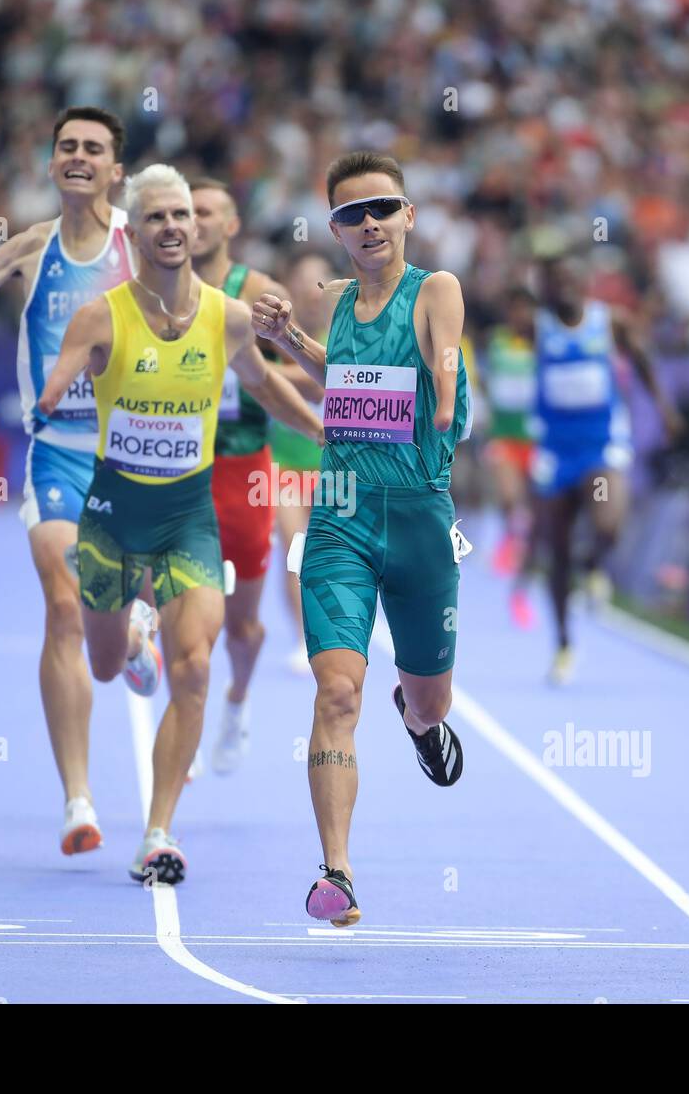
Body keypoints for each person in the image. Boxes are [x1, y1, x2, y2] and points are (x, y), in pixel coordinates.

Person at [40, 164, 323, 884]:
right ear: (132, 233)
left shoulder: (227, 318)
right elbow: (55, 386)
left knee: (195, 664)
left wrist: (325, 429)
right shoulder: (102, 315)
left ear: (199, 232)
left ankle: (159, 831)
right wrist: (52, 395)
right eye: (158, 218)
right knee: (104, 665)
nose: (172, 227)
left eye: (182, 217)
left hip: (188, 517)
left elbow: (267, 385)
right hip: (111, 516)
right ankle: (132, 638)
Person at [0, 106, 160, 860]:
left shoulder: (144, 243)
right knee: (63, 604)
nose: (79, 157)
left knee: (114, 641)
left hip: (141, 452)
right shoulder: (31, 248)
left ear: (117, 170)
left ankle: (138, 635)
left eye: (94, 148)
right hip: (56, 450)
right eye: (67, 147)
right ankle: (78, 798)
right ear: (53, 163)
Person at [251, 151, 472, 927]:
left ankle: (418, 720)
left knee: (429, 698)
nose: (369, 223)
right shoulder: (337, 303)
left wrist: (444, 399)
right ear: (337, 228)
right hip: (340, 511)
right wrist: (292, 345)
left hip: (419, 515)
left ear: (408, 215)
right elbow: (344, 387)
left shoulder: (436, 288)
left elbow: (443, 353)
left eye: (382, 207)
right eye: (351, 214)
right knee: (335, 691)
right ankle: (337, 871)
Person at [188, 179, 326, 772]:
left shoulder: (259, 292)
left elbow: (280, 371)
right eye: (182, 212)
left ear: (230, 225)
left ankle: (237, 700)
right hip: (178, 466)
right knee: (184, 621)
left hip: (245, 464)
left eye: (205, 212)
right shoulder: (155, 291)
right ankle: (182, 729)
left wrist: (319, 418)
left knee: (242, 626)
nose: (191, 222)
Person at [526, 254, 680, 684]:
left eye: (572, 280)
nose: (566, 289)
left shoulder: (609, 323)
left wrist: (664, 409)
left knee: (609, 519)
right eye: (555, 283)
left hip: (601, 447)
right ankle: (562, 644)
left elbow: (644, 360)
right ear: (547, 290)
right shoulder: (536, 328)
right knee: (555, 551)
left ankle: (593, 563)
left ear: (584, 283)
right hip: (555, 454)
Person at [268, 250, 337, 672]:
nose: (312, 295)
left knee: (330, 556)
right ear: (289, 289)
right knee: (294, 549)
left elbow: (325, 380)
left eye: (320, 285)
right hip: (284, 466)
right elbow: (257, 374)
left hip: (337, 469)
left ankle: (333, 631)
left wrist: (275, 374)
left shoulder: (344, 332)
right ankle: (301, 637)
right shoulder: (275, 337)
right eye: (304, 285)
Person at [480, 286, 539, 628]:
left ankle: (522, 566)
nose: (520, 317)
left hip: (535, 439)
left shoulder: (542, 343)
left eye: (526, 311)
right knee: (508, 494)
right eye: (515, 310)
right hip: (504, 435)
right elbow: (487, 380)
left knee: (532, 507)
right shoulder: (497, 340)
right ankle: (508, 534)